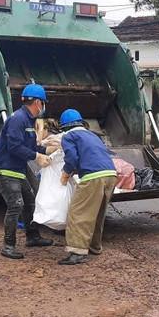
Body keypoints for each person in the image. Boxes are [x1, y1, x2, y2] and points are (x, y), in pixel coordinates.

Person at [0, 83, 55, 259]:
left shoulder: (28, 121)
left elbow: (30, 146)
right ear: (38, 103)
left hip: (17, 168)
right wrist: (36, 156)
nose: (43, 106)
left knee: (30, 200)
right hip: (4, 168)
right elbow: (14, 147)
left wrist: (48, 150)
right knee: (16, 204)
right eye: (43, 102)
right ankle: (8, 246)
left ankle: (32, 236)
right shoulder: (18, 119)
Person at [57, 109, 117, 266]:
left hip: (93, 177)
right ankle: (94, 246)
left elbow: (71, 158)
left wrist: (66, 172)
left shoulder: (68, 136)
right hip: (111, 175)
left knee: (78, 213)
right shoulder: (93, 135)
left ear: (64, 127)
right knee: (97, 213)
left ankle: (77, 252)